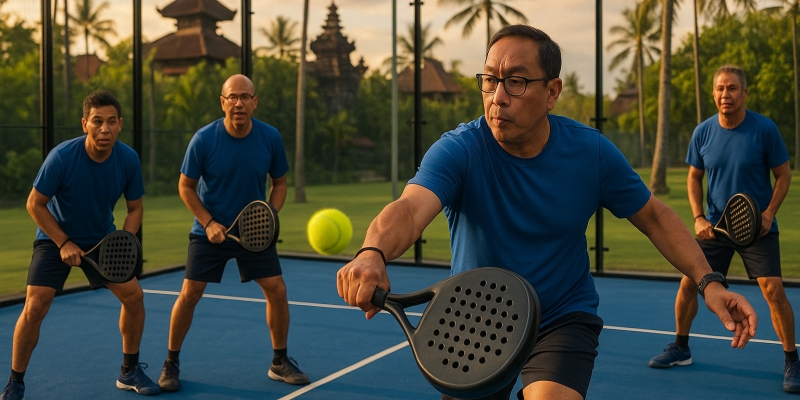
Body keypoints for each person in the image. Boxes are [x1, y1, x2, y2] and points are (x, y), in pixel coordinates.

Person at [336, 25, 759, 400]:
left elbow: (653, 216)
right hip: (474, 316)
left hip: (560, 315)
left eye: (516, 82)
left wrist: (709, 284)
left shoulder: (589, 152)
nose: (498, 97)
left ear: (552, 92)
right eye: (489, 80)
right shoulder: (459, 148)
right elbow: (409, 211)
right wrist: (372, 252)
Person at [0, 91, 161, 400]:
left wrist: (123, 243)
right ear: (85, 123)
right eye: (97, 122)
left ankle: (129, 371)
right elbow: (35, 204)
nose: (105, 129)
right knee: (35, 306)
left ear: (120, 124)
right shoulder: (62, 157)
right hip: (54, 238)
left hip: (102, 239)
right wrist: (63, 242)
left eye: (111, 122)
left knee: (134, 297)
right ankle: (15, 382)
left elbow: (135, 208)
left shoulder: (128, 158)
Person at [648, 65, 797, 392]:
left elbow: (783, 176)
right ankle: (681, 348)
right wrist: (699, 217)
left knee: (773, 290)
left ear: (744, 93)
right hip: (716, 228)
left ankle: (791, 361)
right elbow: (694, 177)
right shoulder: (703, 131)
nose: (725, 95)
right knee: (689, 283)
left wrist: (769, 213)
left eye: (732, 88)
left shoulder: (765, 130)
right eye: (719, 89)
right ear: (713, 93)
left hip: (757, 229)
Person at [156, 74, 308, 392]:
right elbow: (185, 187)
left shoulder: (270, 137)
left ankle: (279, 362)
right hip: (210, 231)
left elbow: (279, 183)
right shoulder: (203, 139)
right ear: (222, 102)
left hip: (253, 233)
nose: (239, 103)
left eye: (245, 97)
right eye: (232, 97)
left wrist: (267, 216)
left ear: (254, 102)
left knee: (276, 290)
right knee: (190, 293)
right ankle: (170, 363)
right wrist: (209, 222)